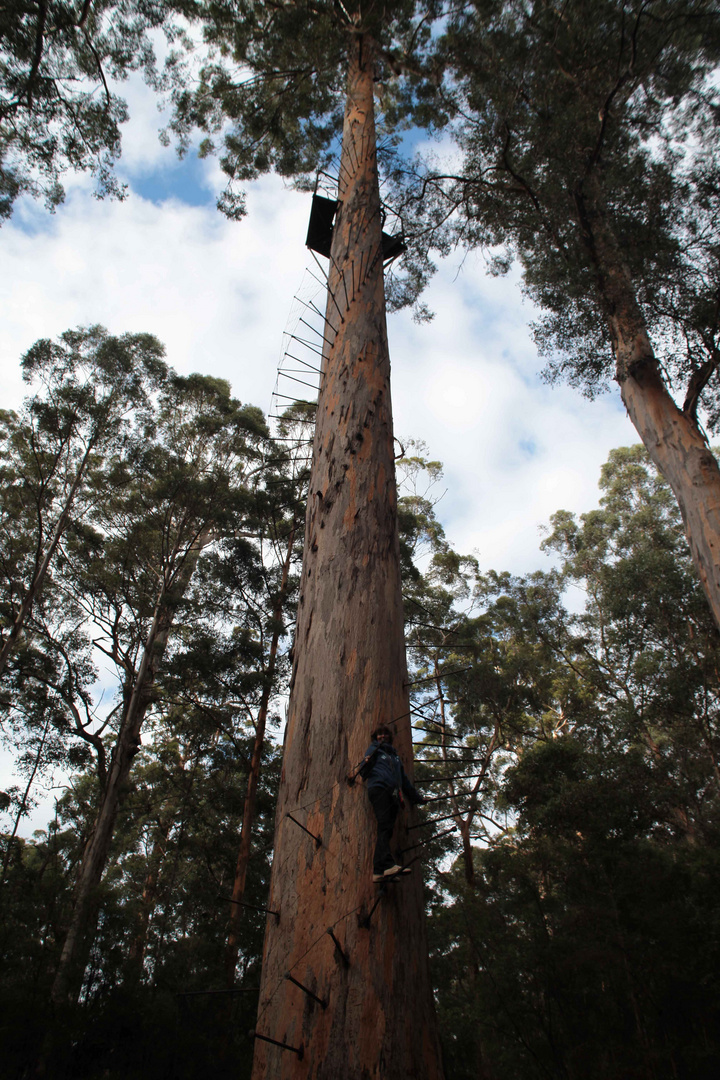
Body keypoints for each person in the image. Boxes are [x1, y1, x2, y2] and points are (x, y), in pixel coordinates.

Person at [357, 724, 424, 882]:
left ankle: (379, 871)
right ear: (375, 738)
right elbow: (363, 771)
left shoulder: (395, 757)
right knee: (385, 825)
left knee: (386, 828)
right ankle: (387, 865)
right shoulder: (374, 750)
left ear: (389, 737)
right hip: (379, 789)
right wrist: (366, 763)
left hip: (394, 793)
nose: (382, 737)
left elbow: (404, 780)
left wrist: (417, 797)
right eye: (379, 735)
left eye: (385, 734)